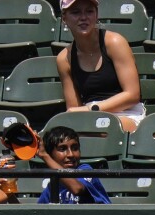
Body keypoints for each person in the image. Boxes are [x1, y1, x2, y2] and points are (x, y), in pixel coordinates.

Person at [55, 0, 146, 133]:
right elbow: (74, 109)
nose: (83, 17)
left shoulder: (115, 42)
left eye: (89, 11)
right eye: (76, 12)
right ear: (64, 18)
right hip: (90, 119)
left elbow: (132, 95)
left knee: (101, 131)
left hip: (127, 113)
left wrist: (92, 109)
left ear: (96, 14)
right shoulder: (64, 59)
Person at [36, 126, 112, 204]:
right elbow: (38, 212)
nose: (71, 154)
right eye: (62, 149)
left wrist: (44, 156)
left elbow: (77, 189)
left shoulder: (85, 170)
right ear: (50, 154)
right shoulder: (52, 186)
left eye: (75, 148)